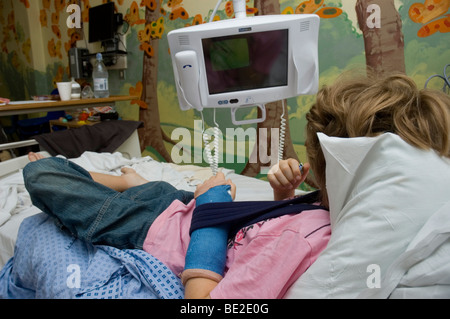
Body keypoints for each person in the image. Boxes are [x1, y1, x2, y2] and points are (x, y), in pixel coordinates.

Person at [23, 153, 330, 299]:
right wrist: (285, 195)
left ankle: (129, 184)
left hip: (148, 225)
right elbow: (263, 232)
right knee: (49, 172)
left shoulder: (300, 240)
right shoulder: (321, 208)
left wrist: (211, 206)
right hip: (181, 203)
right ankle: (135, 183)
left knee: (39, 172)